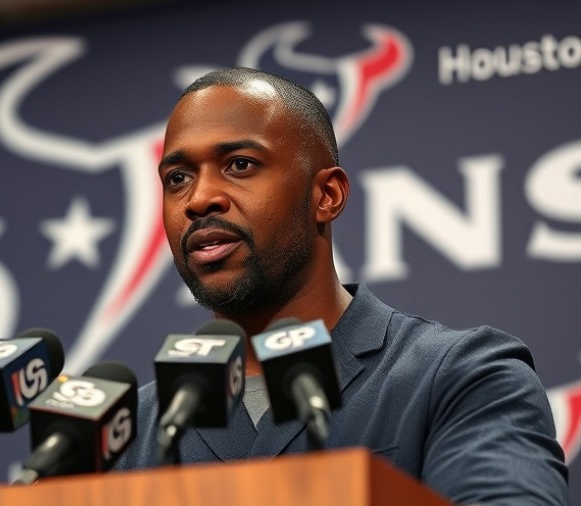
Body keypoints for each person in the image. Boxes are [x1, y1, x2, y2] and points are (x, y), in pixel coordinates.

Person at [114, 67, 569, 505]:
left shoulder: (460, 376)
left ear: (327, 196)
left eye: (239, 164)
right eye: (178, 178)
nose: (198, 198)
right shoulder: (124, 432)